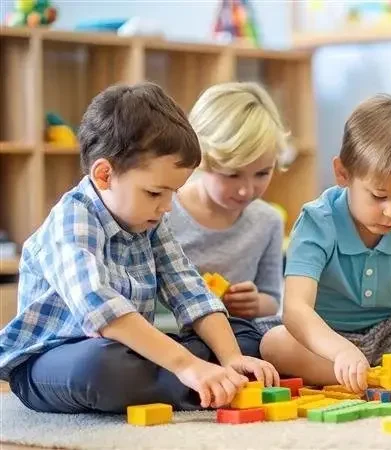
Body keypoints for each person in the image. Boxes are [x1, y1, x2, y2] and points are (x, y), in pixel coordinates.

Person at [0, 82, 279, 414]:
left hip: (129, 348)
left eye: (172, 194)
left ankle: (208, 379)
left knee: (246, 336)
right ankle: (198, 382)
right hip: (53, 361)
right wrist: (187, 364)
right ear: (104, 175)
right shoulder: (72, 221)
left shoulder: (152, 219)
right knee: (101, 368)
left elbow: (190, 291)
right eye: (154, 193)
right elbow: (102, 311)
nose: (167, 207)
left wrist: (232, 357)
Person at [259, 94, 391, 394]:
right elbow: (296, 310)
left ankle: (363, 379)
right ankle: (369, 379)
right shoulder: (318, 221)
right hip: (323, 335)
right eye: (379, 196)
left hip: (388, 334)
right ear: (343, 174)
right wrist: (340, 350)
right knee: (274, 344)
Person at [167, 82, 287, 333]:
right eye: (232, 175)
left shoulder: (268, 221)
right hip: (173, 335)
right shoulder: (163, 212)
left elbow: (272, 300)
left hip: (237, 333)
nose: (247, 190)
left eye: (262, 173)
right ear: (200, 158)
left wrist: (254, 304)